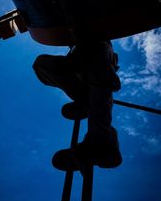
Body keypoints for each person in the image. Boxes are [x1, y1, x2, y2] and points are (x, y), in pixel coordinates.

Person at [33, 37, 122, 172]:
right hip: (82, 63)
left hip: (96, 56)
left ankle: (100, 144)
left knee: (98, 74)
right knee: (41, 65)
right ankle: (87, 104)